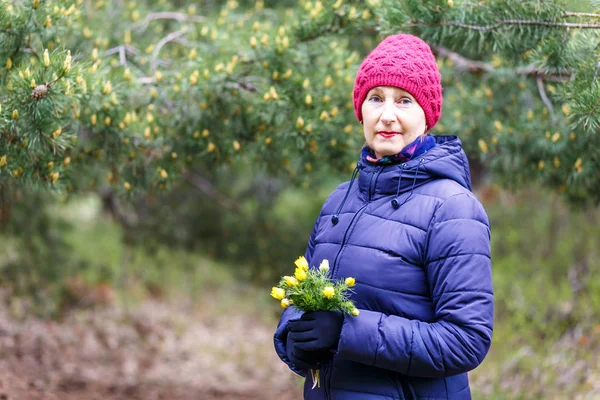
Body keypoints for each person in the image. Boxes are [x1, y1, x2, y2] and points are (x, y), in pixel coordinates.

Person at [273, 33, 494, 400]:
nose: (387, 115)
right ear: (361, 110)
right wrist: (295, 340)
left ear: (427, 115)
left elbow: (466, 340)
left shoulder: (453, 208)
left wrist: (346, 332)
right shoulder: (338, 203)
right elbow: (300, 307)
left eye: (404, 101)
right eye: (376, 98)